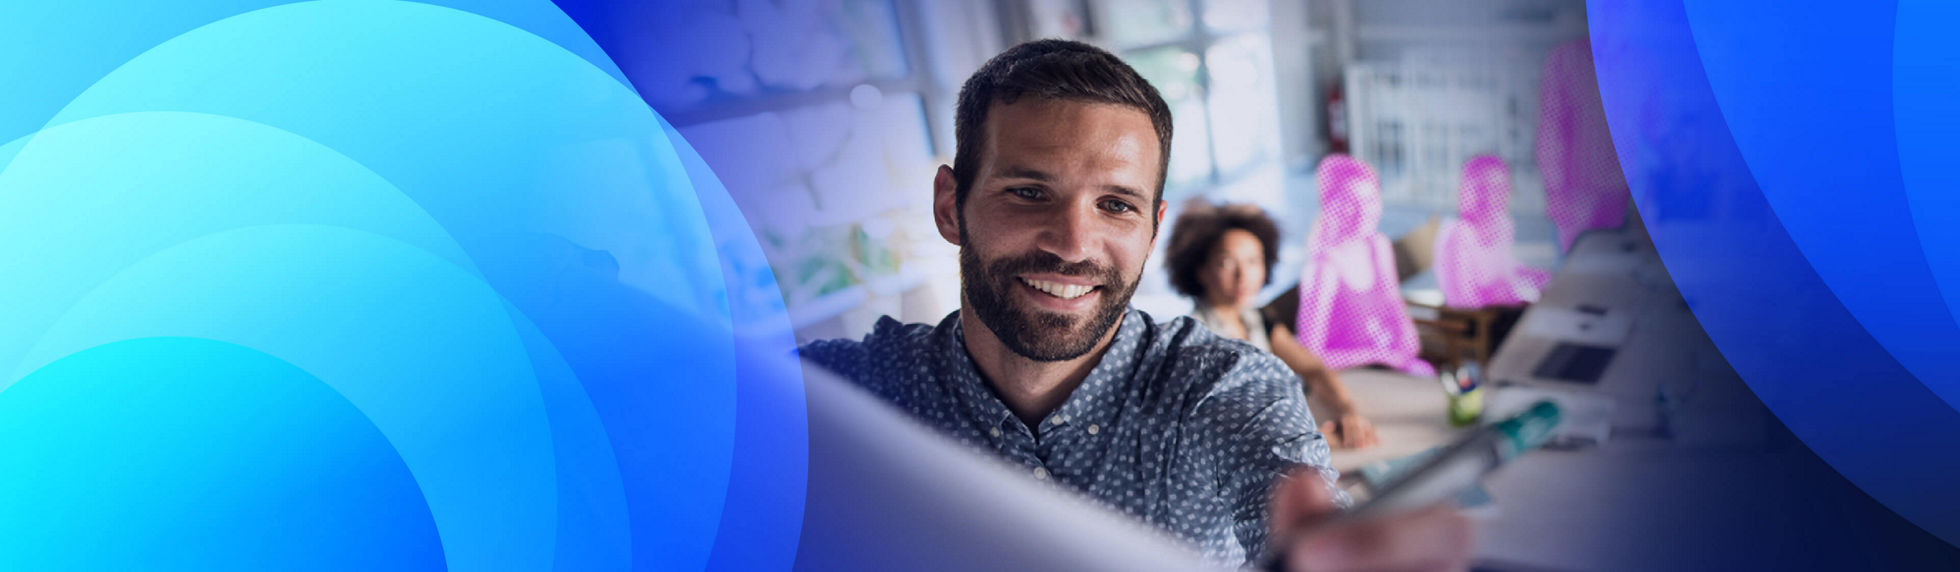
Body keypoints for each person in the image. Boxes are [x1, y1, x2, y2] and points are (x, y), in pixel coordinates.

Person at [798, 39, 1469, 569]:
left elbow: (1290, 505)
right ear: (951, 205)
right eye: (1029, 192)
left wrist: (1329, 549)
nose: (1072, 244)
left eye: (1116, 205)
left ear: (1152, 229)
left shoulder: (1227, 389)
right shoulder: (845, 394)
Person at [1164, 201, 1379, 449]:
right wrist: (1310, 439)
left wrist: (1348, 412)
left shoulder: (1259, 318)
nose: (1243, 275)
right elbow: (1215, 427)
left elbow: (1314, 369)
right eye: (1226, 263)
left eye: (1253, 261)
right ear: (1200, 270)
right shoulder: (1193, 337)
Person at [1295, 155, 1434, 377]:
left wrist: (1405, 349)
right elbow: (1308, 356)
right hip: (1348, 377)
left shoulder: (1377, 246)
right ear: (1329, 205)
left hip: (1386, 363)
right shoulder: (1324, 267)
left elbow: (1394, 306)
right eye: (1351, 202)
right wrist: (1378, 356)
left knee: (1427, 375)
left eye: (1370, 200)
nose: (1363, 212)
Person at [1436, 155, 1551, 308]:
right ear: (1463, 191)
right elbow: (1464, 302)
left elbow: (1505, 269)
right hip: (1474, 321)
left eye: (1498, 189)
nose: (1490, 197)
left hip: (1497, 309)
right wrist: (1503, 294)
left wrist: (1530, 275)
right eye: (1481, 189)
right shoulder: (1460, 234)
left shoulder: (1503, 224)